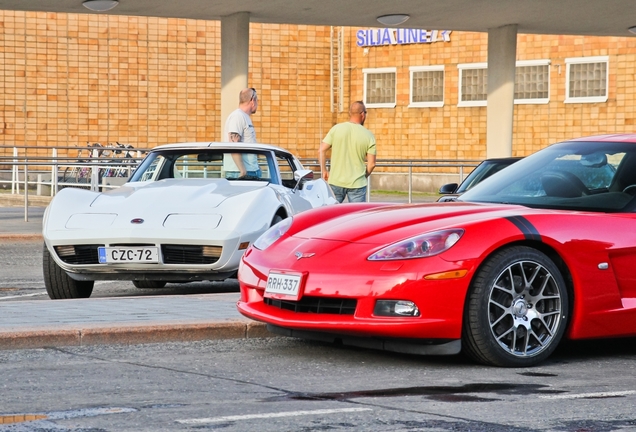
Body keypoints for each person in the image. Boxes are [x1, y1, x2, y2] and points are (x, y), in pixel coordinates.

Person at [319, 101, 376, 202]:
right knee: (357, 216)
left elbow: (321, 150)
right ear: (362, 114)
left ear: (350, 113)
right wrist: (363, 176)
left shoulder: (336, 129)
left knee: (332, 215)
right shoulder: (369, 135)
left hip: (335, 181)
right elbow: (371, 164)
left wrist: (324, 170)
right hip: (357, 184)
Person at [223, 87, 261, 178]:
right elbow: (233, 145)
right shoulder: (237, 116)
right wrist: (243, 171)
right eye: (257, 100)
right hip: (238, 173)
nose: (257, 104)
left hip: (250, 170)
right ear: (253, 100)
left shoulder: (244, 117)